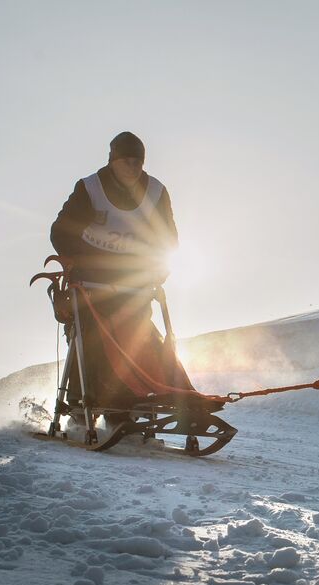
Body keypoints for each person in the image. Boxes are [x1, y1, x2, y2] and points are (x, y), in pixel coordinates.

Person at [50, 131, 196, 415]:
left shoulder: (155, 192)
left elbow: (167, 239)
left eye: (137, 162)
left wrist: (158, 270)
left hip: (133, 279)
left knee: (140, 334)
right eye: (126, 161)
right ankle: (92, 399)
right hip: (91, 277)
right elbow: (61, 231)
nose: (133, 167)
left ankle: (162, 391)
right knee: (92, 333)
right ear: (112, 161)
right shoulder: (90, 188)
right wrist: (81, 261)